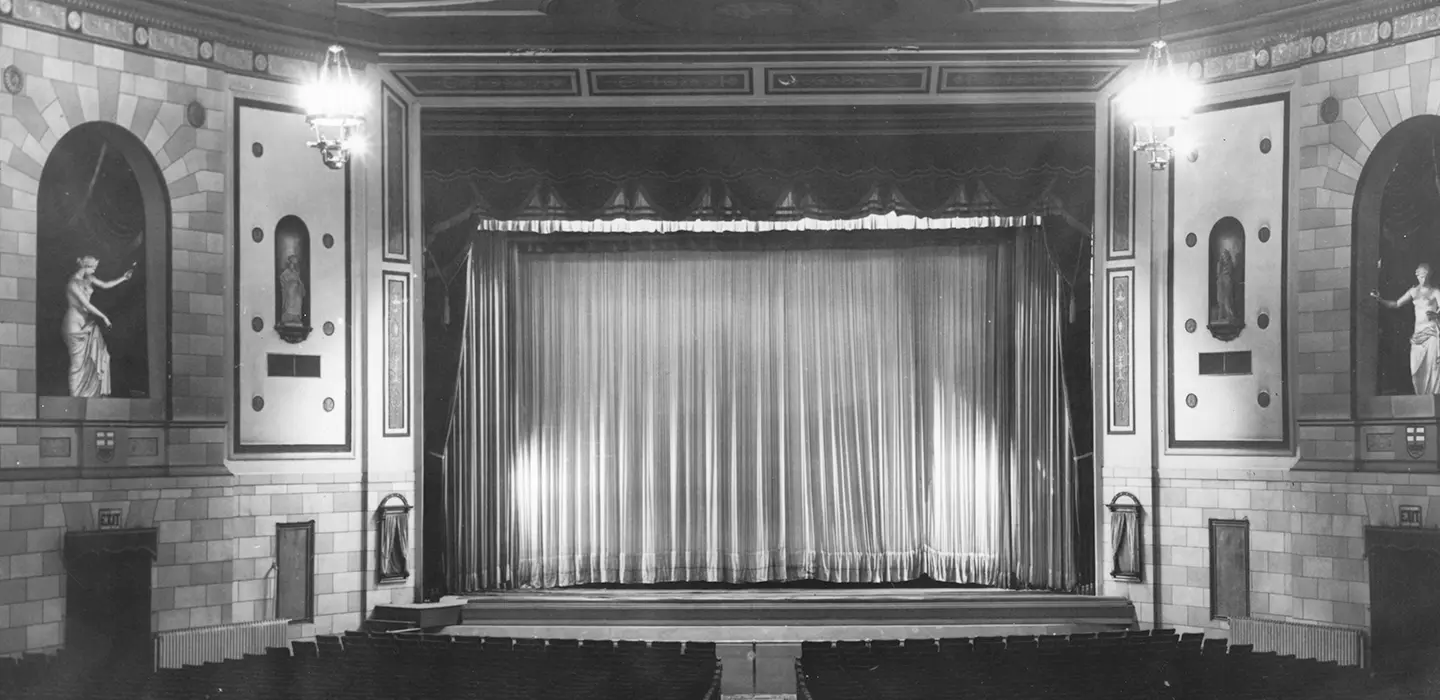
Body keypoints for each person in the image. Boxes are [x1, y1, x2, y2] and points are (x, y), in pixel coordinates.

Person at [63, 256, 132, 398]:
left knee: (90, 362)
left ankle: (87, 396)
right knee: (77, 366)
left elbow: (106, 285)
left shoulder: (89, 278)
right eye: (93, 268)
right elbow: (86, 305)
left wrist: (123, 278)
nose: (94, 271)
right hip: (73, 324)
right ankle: (75, 398)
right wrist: (104, 317)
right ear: (85, 266)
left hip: (85, 323)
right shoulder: (72, 284)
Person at [1373, 263, 1440, 395]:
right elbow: (1397, 304)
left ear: (1430, 275)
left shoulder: (1435, 292)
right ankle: (1422, 396)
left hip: (1432, 331)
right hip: (1418, 334)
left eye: (1426, 275)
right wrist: (1380, 299)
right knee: (1416, 368)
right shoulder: (1413, 291)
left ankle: (1435, 394)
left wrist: (1437, 314)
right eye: (1421, 275)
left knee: (1433, 365)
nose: (1423, 279)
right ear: (1417, 275)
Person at [278, 254, 306, 326]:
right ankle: (288, 316)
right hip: (289, 291)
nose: (292, 265)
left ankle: (296, 317)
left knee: (298, 298)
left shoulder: (296, 273)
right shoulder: (286, 273)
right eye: (291, 263)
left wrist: (300, 285)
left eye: (294, 264)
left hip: (296, 292)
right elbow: (282, 280)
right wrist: (290, 283)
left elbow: (299, 281)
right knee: (290, 295)